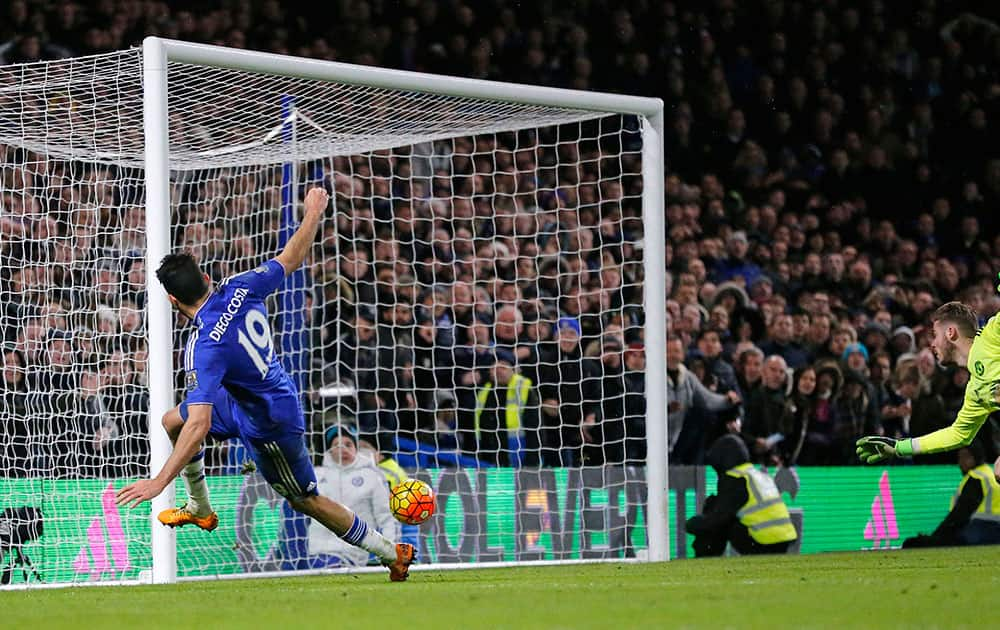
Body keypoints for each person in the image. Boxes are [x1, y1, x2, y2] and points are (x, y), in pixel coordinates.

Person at [114, 187, 414, 582]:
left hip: (271, 422)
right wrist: (313, 212)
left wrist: (158, 481)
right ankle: (200, 508)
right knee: (173, 419)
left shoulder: (203, 346)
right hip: (245, 400)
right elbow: (290, 257)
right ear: (205, 277)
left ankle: (392, 552)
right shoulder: (240, 286)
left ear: (171, 301)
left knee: (306, 499)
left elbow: (201, 426)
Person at [857, 301, 1000, 475]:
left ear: (950, 332)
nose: (932, 344)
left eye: (935, 335)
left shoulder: (991, 335)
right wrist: (898, 447)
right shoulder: (975, 390)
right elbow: (957, 435)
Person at [685, 434, 798, 557]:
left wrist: (692, 524)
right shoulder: (758, 474)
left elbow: (718, 518)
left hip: (763, 541)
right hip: (784, 539)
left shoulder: (735, 478)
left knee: (716, 512)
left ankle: (705, 561)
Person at [307, 425, 400, 568]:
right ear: (328, 450)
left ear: (356, 449)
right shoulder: (316, 475)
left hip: (353, 553)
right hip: (316, 551)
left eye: (348, 444)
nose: (342, 448)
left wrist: (391, 552)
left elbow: (386, 517)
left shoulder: (372, 476)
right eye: (336, 445)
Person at [903, 440, 1000, 548]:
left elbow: (959, 514)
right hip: (994, 531)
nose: (960, 462)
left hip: (980, 530)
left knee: (914, 543)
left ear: (974, 458)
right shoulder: (990, 473)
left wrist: (936, 536)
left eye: (964, 457)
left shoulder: (976, 478)